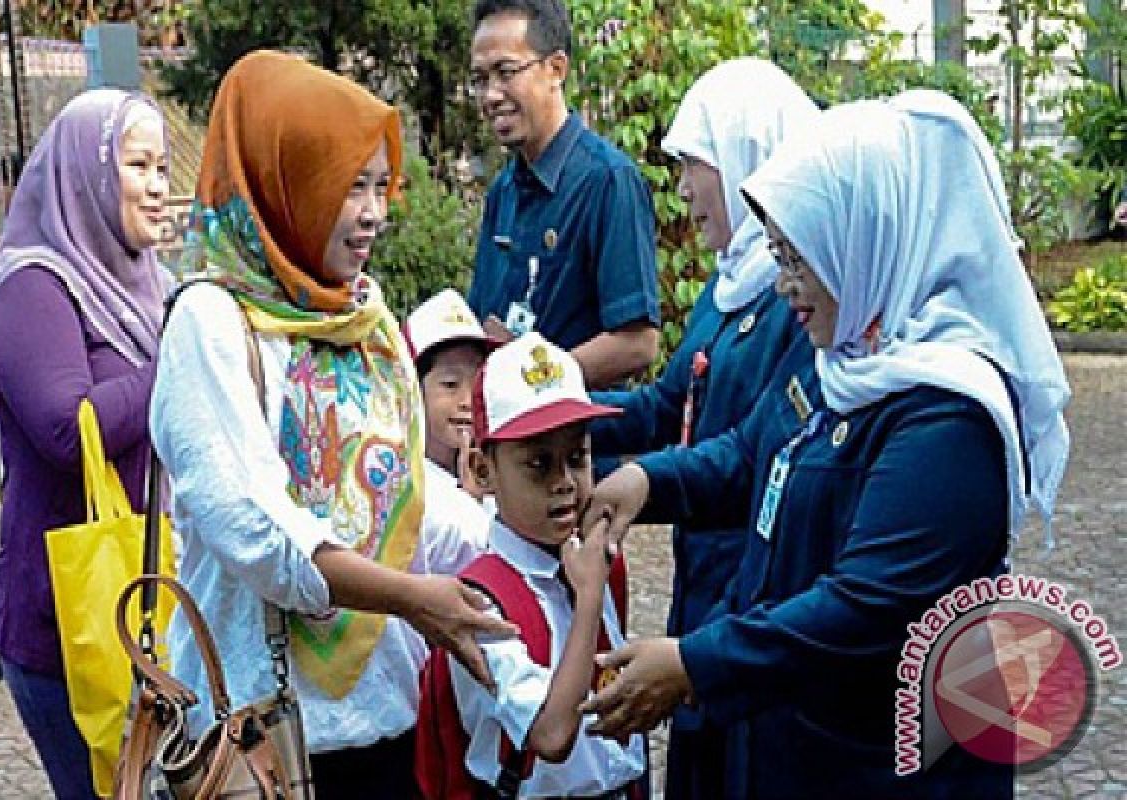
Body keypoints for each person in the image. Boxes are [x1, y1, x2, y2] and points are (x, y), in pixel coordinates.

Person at [579, 91, 1070, 797]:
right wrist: (648, 482)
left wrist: (697, 662)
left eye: (800, 261)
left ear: (865, 238)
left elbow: (864, 604)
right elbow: (751, 453)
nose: (784, 287)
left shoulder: (947, 416)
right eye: (778, 257)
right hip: (802, 741)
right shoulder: (846, 358)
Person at [150, 50, 513, 797]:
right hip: (263, 731)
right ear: (290, 183)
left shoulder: (364, 317)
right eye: (351, 186)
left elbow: (405, 486)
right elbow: (250, 525)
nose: (375, 212)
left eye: (382, 186)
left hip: (385, 711)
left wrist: (515, 541)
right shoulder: (211, 323)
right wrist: (411, 597)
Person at [587, 59, 817, 795]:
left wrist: (646, 478)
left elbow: (752, 456)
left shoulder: (802, 299)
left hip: (754, 597)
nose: (682, 189)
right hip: (702, 584)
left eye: (694, 165)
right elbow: (668, 406)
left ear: (750, 157)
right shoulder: (731, 286)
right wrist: (562, 413)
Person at [0, 89, 171, 798]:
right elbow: (70, 429)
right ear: (84, 176)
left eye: (161, 167)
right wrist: (178, 362)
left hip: (145, 600)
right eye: (137, 166)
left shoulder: (143, 281)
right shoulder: (33, 289)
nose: (158, 186)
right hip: (67, 624)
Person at [447, 332, 647, 797]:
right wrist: (590, 599)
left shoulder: (592, 561)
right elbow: (552, 735)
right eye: (538, 464)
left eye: (577, 458)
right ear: (482, 471)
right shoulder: (478, 600)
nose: (565, 483)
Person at [467, 0, 660, 389]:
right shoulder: (504, 190)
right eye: (480, 79)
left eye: (505, 72)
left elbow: (638, 343)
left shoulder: (607, 180)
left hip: (576, 443)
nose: (490, 95)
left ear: (555, 69)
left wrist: (533, 381)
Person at [403, 287, 496, 531]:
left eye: (477, 384)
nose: (467, 400)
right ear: (411, 387)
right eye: (450, 385)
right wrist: (468, 506)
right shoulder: (404, 485)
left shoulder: (493, 473)